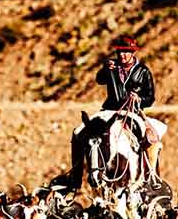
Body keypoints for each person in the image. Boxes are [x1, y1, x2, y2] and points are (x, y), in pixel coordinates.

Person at [66, 36, 165, 190]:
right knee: (78, 132)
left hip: (132, 111)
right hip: (109, 110)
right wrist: (105, 69)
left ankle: (151, 176)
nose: (122, 55)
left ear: (133, 52)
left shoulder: (143, 71)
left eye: (126, 52)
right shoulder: (112, 67)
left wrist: (138, 98)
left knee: (151, 138)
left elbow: (150, 98)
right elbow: (99, 79)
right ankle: (75, 176)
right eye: (120, 52)